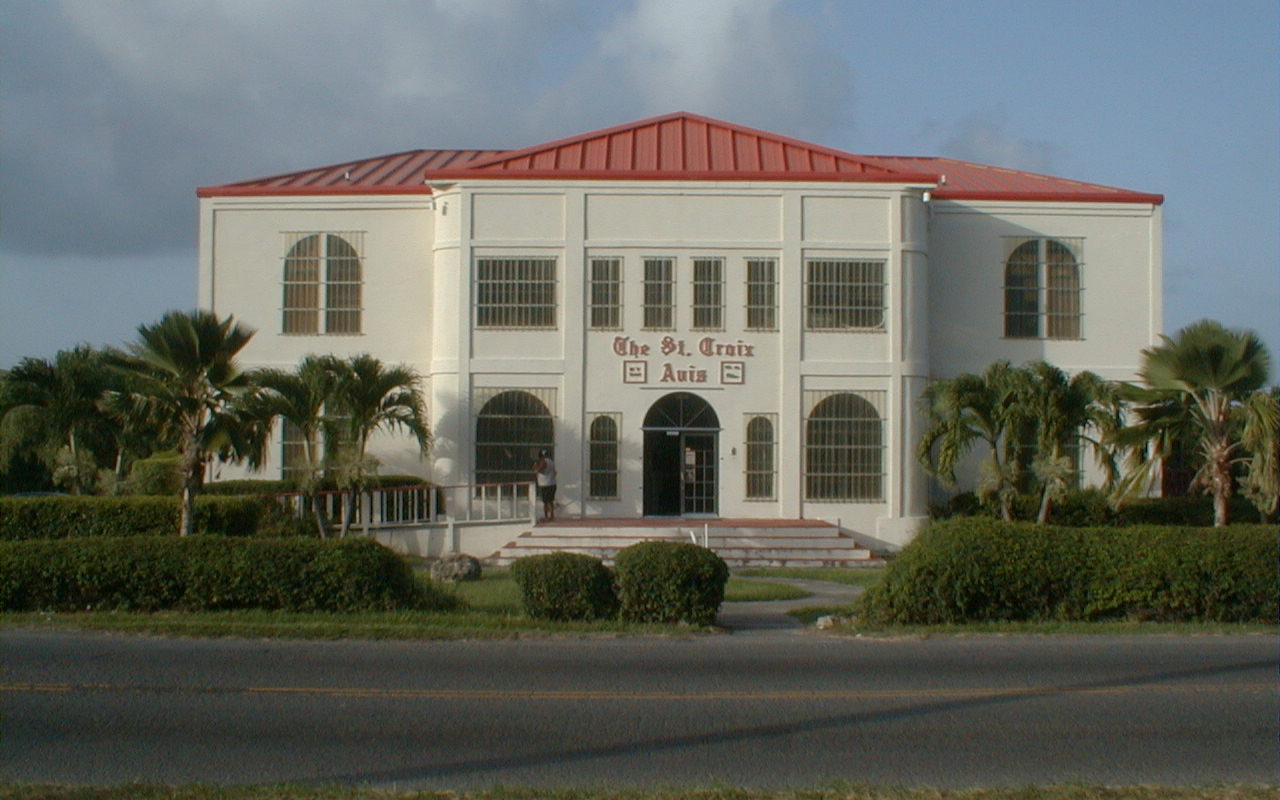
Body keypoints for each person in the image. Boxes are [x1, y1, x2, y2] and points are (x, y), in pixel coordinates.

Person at [533, 448, 557, 521]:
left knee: (545, 502)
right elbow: (555, 473)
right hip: (552, 483)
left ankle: (546, 516)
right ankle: (552, 515)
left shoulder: (544, 461)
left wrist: (535, 467)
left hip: (545, 484)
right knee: (550, 501)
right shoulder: (551, 462)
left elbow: (540, 469)